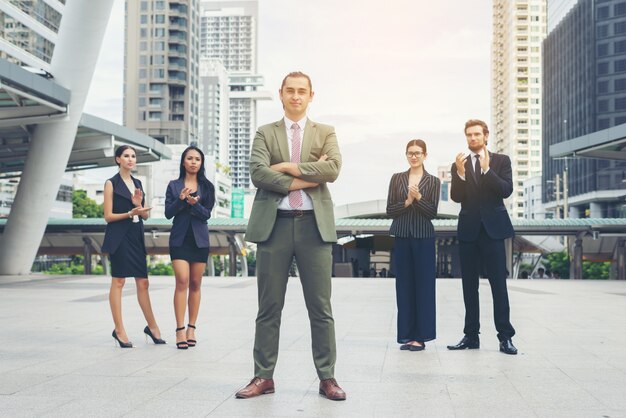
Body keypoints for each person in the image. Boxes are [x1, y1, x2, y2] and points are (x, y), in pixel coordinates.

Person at [235, 71, 346, 401]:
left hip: (314, 227)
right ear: (280, 94)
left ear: (312, 95)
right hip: (275, 226)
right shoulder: (264, 133)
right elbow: (258, 173)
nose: (296, 96)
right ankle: (263, 376)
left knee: (320, 308)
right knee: (268, 307)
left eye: (302, 91)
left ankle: (327, 377)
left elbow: (333, 169)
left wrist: (284, 168)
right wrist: (308, 176)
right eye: (290, 91)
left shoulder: (325, 132)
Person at [447, 119, 518, 355]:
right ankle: (470, 336)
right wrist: (459, 174)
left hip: (493, 230)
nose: (473, 138)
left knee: (499, 285)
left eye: (477, 134)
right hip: (469, 231)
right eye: (469, 135)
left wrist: (488, 171)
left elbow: (505, 190)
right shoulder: (460, 164)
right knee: (469, 287)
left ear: (486, 136)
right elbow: (456, 197)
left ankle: (505, 337)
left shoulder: (501, 161)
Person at [102, 145, 165, 348]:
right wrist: (130, 212)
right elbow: (108, 216)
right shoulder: (111, 183)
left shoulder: (137, 182)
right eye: (126, 156)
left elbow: (144, 214)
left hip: (136, 235)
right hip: (119, 236)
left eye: (133, 156)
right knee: (119, 281)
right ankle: (119, 330)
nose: (130, 159)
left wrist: (138, 205)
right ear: (118, 159)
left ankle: (152, 327)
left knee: (143, 282)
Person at [386, 139, 440, 352]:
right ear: (406, 155)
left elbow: (432, 213)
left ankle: (421, 336)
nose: (414, 156)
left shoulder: (433, 181)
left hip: (424, 237)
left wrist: (418, 197)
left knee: (424, 287)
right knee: (404, 287)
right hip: (402, 235)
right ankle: (407, 336)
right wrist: (407, 201)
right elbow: (390, 210)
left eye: (418, 153)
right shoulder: (397, 178)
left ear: (425, 155)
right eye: (410, 153)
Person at [165, 146, 215, 350]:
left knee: (195, 283)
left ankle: (191, 328)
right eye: (190, 158)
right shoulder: (174, 185)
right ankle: (179, 329)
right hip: (179, 239)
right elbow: (169, 213)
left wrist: (194, 203)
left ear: (201, 163)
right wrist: (181, 200)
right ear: (183, 162)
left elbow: (207, 214)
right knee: (182, 281)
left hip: (200, 240)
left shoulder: (207, 187)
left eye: (197, 159)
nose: (194, 162)